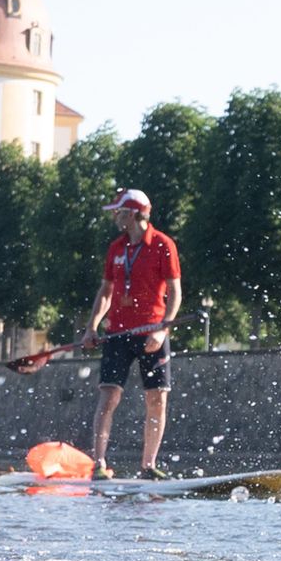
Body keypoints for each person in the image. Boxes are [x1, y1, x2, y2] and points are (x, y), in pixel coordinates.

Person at [81, 185, 183, 476]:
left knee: (157, 398)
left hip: (152, 332)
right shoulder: (116, 248)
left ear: (136, 214)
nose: (116, 217)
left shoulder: (164, 245)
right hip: (118, 335)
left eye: (120, 212)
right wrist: (92, 327)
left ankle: (148, 466)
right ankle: (99, 464)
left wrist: (163, 330)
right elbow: (106, 291)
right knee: (109, 395)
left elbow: (175, 292)